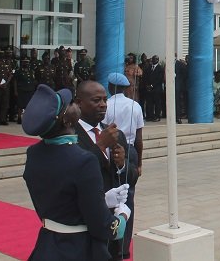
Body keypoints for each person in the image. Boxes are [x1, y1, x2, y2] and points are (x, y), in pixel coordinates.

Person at [22, 84, 130, 261]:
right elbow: (106, 227)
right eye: (71, 103)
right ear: (66, 120)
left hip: (47, 245)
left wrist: (101, 199)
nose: (75, 105)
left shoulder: (34, 153)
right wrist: (122, 215)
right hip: (79, 248)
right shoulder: (83, 160)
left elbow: (63, 198)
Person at [75, 81, 138, 260]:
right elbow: (74, 171)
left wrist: (122, 165)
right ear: (79, 102)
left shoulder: (115, 134)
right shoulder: (71, 134)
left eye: (104, 99)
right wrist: (100, 145)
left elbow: (131, 177)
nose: (103, 104)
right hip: (86, 223)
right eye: (96, 100)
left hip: (114, 223)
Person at [103, 73, 144, 259]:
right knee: (128, 198)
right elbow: (139, 138)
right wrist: (139, 163)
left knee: (110, 194)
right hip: (129, 150)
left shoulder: (106, 105)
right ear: (126, 87)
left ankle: (111, 241)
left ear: (110, 87)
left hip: (110, 149)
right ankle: (124, 247)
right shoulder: (135, 106)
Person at [13, 58, 37, 125]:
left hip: (30, 90)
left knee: (29, 106)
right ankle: (19, 118)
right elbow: (15, 81)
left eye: (27, 62)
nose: (26, 63)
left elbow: (33, 80)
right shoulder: (18, 71)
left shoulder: (31, 71)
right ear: (22, 63)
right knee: (20, 105)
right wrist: (15, 91)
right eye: (24, 62)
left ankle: (28, 118)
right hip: (21, 90)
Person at [143, 55, 164, 121]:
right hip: (149, 89)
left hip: (156, 89)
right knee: (149, 103)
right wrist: (147, 85)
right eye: (153, 59)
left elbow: (159, 79)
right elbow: (145, 77)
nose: (153, 60)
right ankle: (150, 116)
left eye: (155, 59)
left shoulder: (160, 68)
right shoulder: (149, 67)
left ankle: (157, 116)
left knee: (157, 103)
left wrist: (152, 85)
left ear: (158, 60)